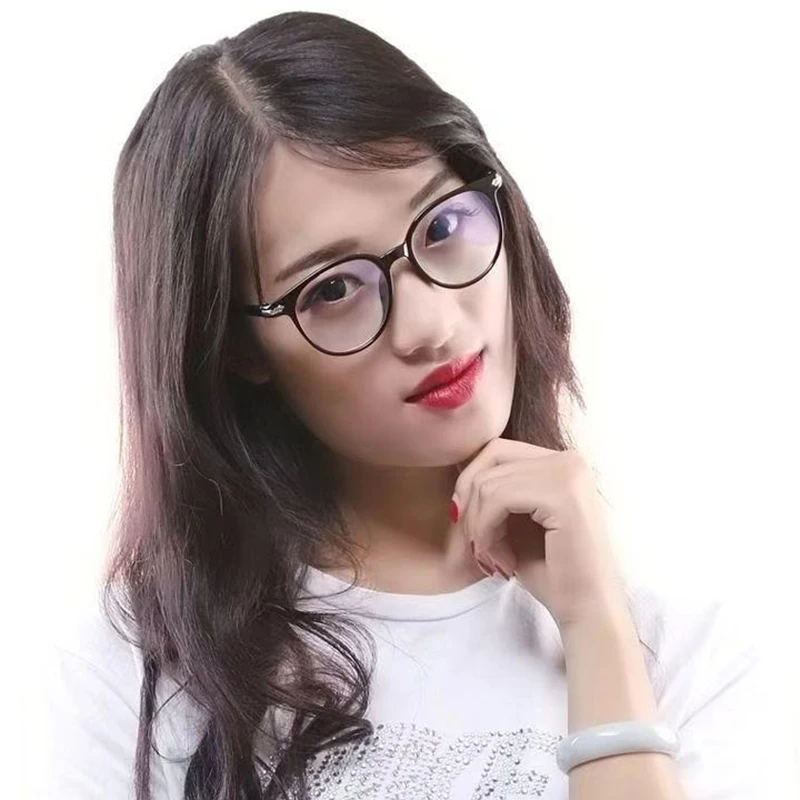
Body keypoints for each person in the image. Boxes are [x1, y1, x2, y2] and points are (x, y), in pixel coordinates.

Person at [38, 10, 793, 800]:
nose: (431, 324)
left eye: (443, 225)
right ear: (236, 347)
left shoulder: (686, 662)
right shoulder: (138, 673)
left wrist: (597, 628)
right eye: (333, 288)